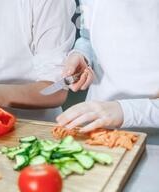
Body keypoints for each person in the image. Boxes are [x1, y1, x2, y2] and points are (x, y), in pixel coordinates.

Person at [57, 0, 159, 133]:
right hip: (95, 125)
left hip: (152, 136)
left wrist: (125, 111)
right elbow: (87, 35)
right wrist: (81, 54)